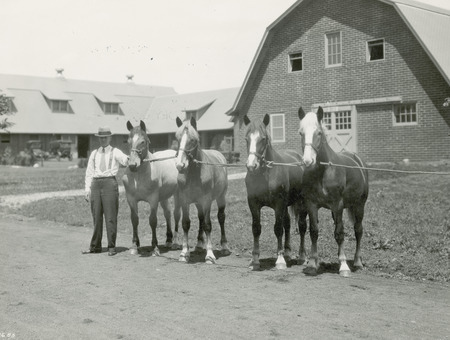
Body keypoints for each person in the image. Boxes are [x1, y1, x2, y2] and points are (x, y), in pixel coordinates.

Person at [82, 126, 129, 256]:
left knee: (110, 216)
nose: (103, 140)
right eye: (101, 138)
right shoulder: (94, 153)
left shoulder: (115, 152)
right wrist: (87, 189)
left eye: (105, 138)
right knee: (96, 216)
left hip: (109, 183)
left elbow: (125, 160)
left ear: (110, 138)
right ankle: (95, 246)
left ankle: (111, 246)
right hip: (95, 184)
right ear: (98, 139)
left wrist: (133, 158)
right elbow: (89, 172)